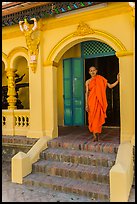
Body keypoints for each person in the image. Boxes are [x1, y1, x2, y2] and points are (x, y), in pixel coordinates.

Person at [85, 66, 120, 142]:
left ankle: (97, 135)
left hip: (99, 102)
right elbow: (87, 93)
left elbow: (110, 86)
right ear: (89, 72)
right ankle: (94, 136)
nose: (92, 72)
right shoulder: (88, 81)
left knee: (98, 118)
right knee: (92, 119)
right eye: (91, 71)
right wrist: (86, 105)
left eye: (94, 70)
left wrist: (118, 81)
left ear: (96, 71)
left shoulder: (101, 79)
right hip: (91, 102)